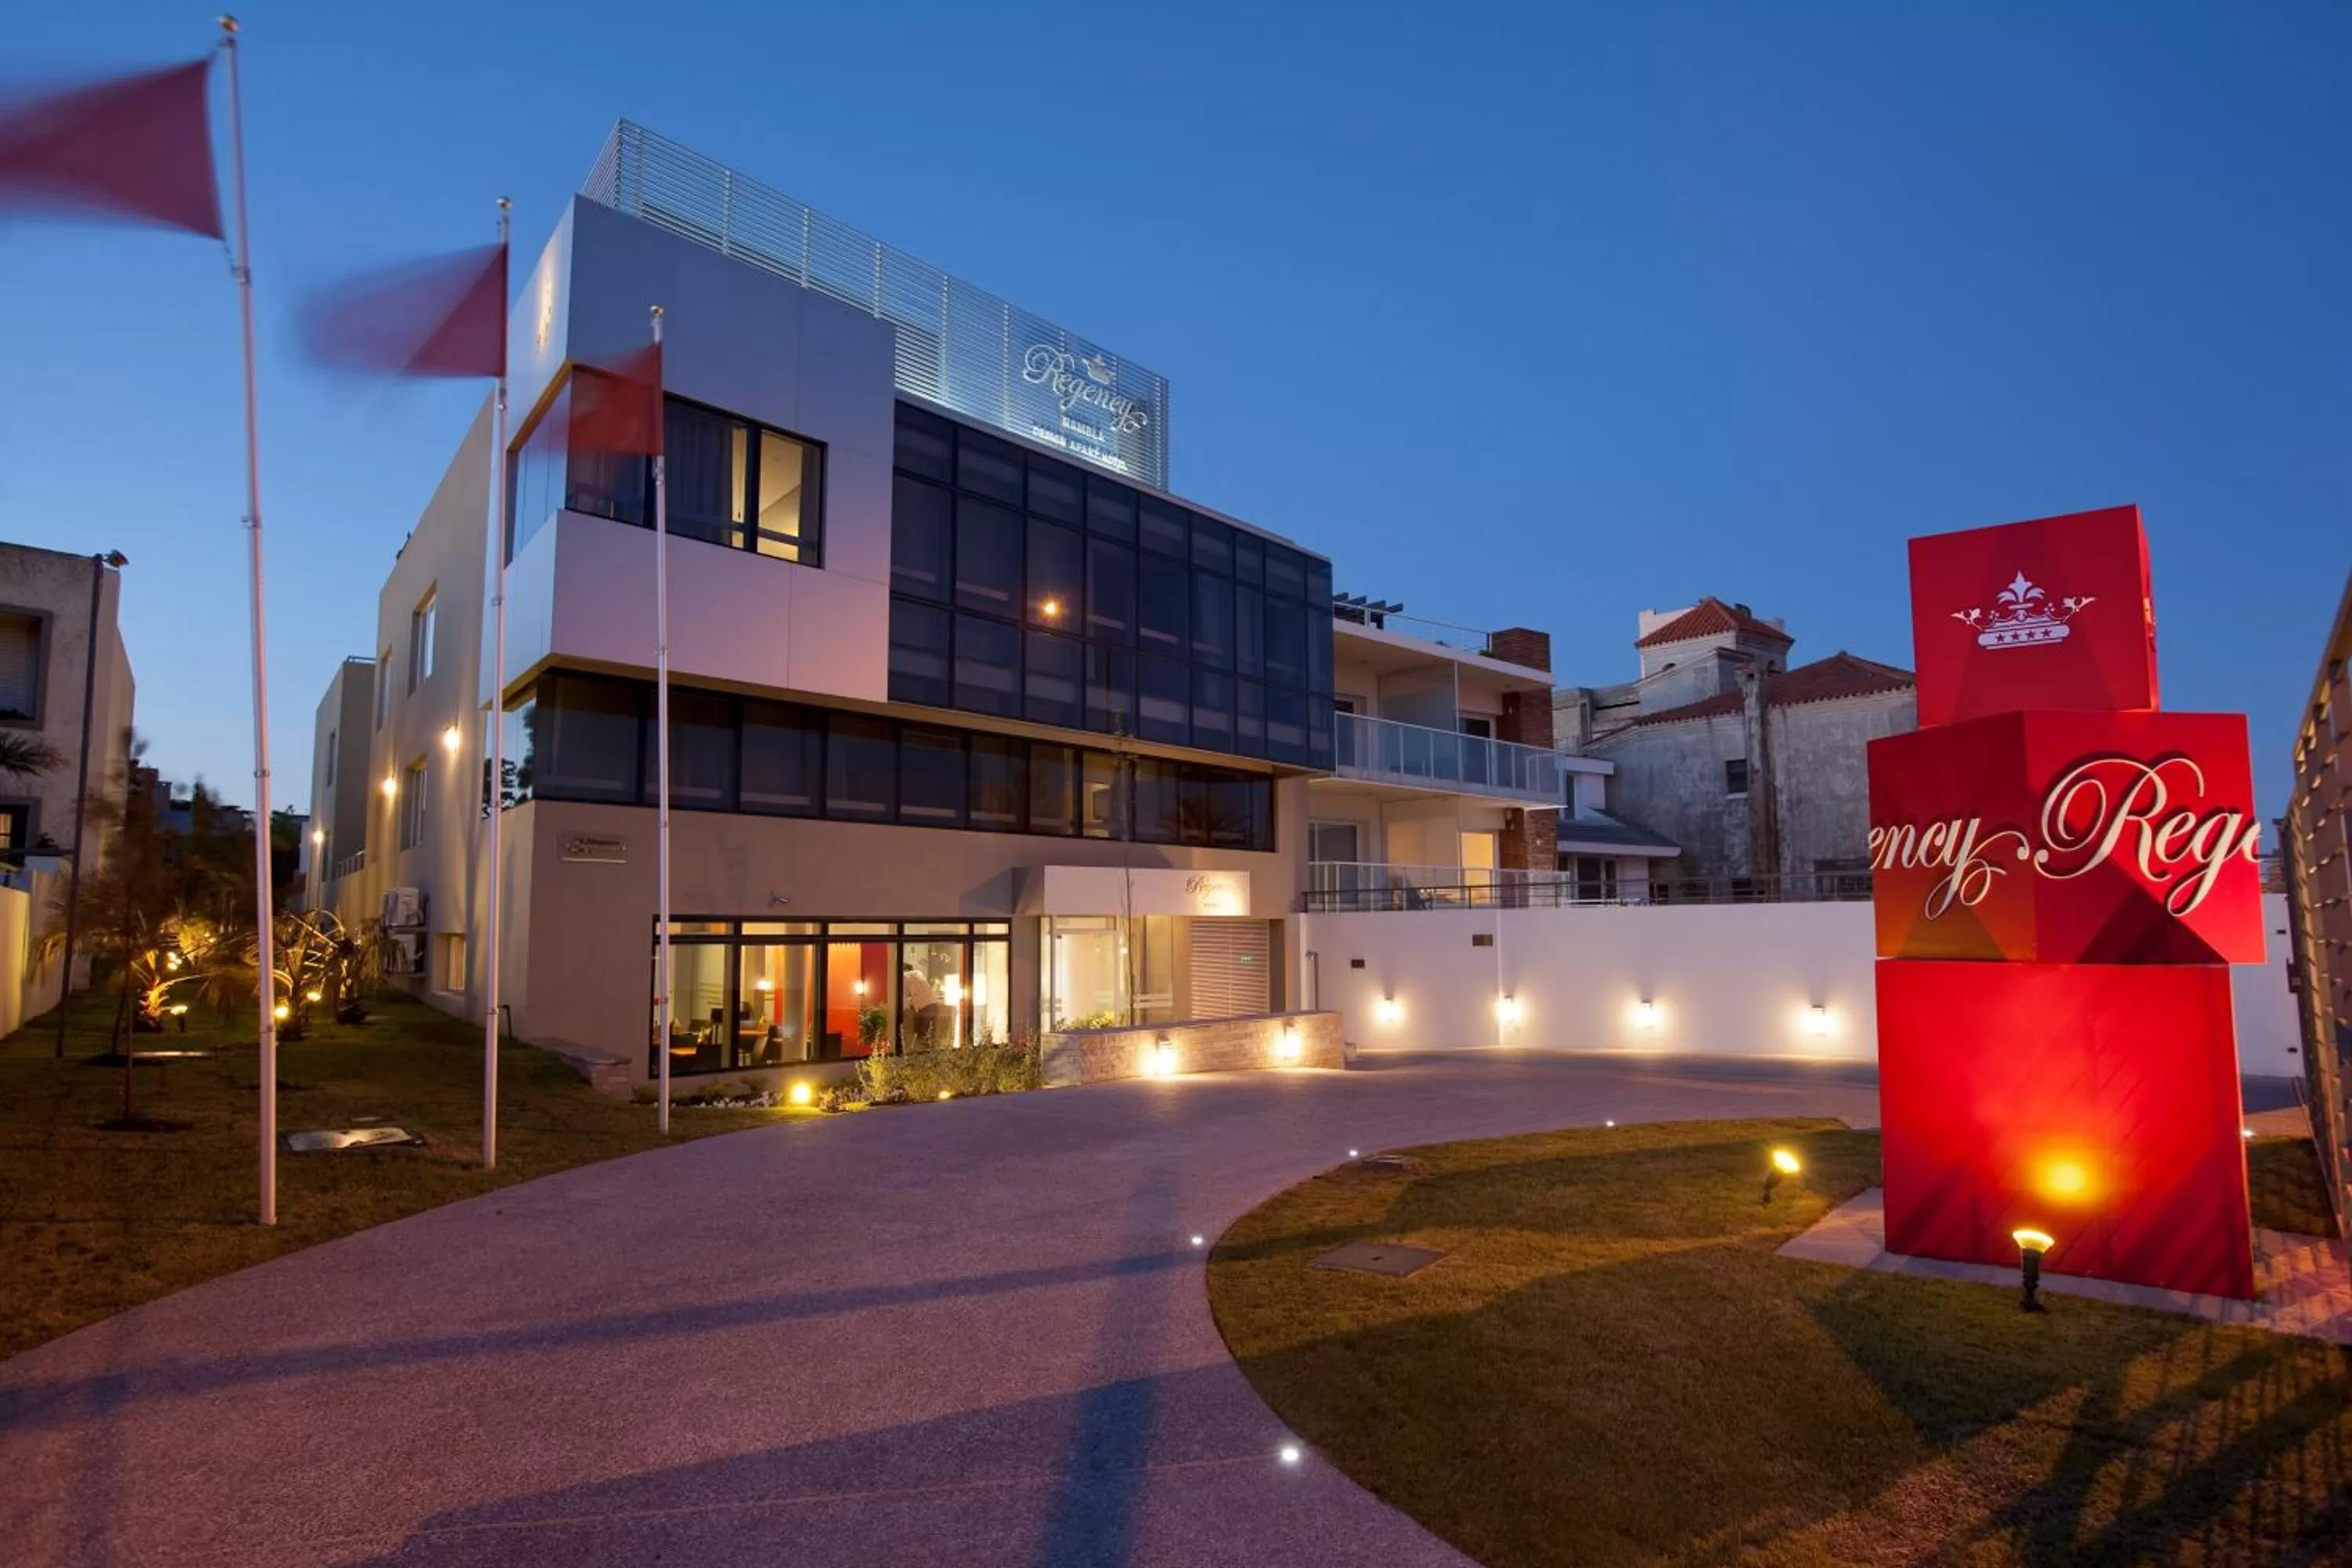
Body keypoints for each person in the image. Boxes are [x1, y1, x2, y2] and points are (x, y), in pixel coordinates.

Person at [902, 964, 944, 1048]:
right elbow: (917, 992)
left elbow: (904, 995)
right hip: (934, 1006)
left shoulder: (905, 976)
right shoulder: (919, 973)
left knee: (921, 1037)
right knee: (930, 1037)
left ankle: (919, 1057)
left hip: (924, 1008)